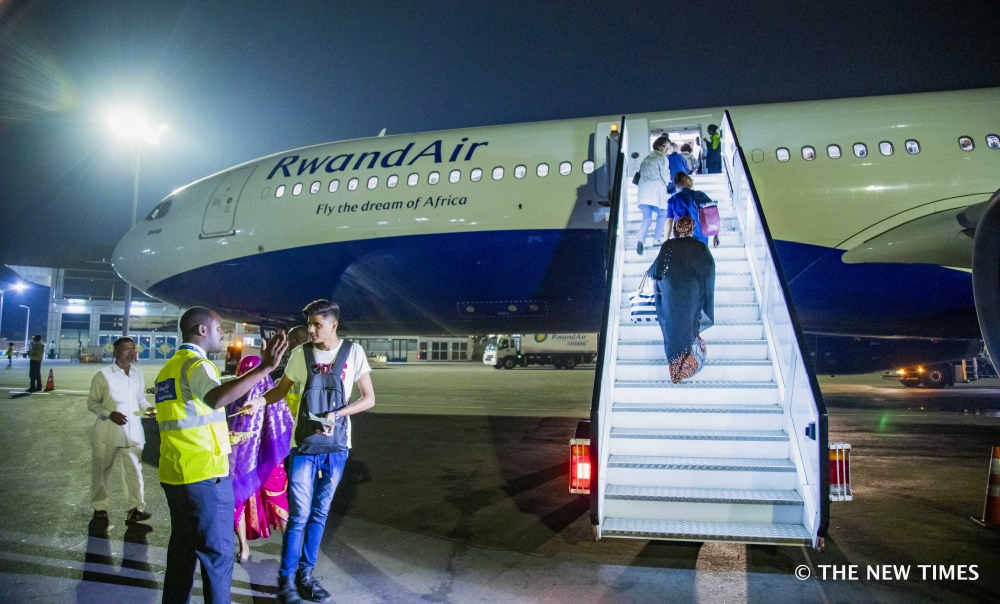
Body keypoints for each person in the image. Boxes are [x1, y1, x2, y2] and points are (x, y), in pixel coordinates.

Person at [240, 300, 375, 604]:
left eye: (316, 324)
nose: (310, 330)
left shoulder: (353, 352)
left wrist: (338, 414)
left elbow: (369, 398)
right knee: (299, 514)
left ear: (333, 325)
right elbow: (281, 389)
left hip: (337, 447)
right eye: (309, 324)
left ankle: (306, 575)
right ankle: (286, 580)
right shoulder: (301, 354)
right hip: (302, 445)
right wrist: (259, 402)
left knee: (320, 513)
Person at [154, 306, 287, 604]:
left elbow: (187, 419)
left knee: (183, 552)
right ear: (202, 330)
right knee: (218, 556)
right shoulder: (196, 365)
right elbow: (215, 398)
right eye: (219, 329)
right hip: (204, 475)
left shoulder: (168, 370)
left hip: (176, 474)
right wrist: (263, 369)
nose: (223, 334)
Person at [228, 354, 294, 564]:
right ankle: (288, 549)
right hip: (266, 459)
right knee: (274, 498)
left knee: (240, 500)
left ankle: (245, 549)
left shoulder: (239, 394)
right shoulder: (269, 394)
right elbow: (286, 424)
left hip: (247, 460)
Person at [87, 337, 155, 523]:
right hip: (108, 431)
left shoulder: (137, 374)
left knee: (134, 471)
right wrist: (109, 414)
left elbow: (140, 399)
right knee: (101, 472)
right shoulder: (103, 375)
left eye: (133, 349)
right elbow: (92, 403)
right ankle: (100, 507)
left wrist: (148, 409)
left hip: (133, 432)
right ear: (115, 352)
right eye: (126, 349)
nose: (131, 352)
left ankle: (135, 509)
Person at [650, 216, 716, 383]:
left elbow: (657, 271)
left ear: (675, 229)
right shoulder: (700, 247)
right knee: (690, 328)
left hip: (672, 296)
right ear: (692, 229)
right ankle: (688, 366)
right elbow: (709, 269)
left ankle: (676, 372)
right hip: (693, 295)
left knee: (672, 331)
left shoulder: (668, 246)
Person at [635, 135, 673, 255]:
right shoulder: (662, 158)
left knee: (646, 218)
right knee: (662, 214)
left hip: (643, 191)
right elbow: (665, 175)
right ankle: (657, 239)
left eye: (668, 148)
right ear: (658, 146)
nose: (667, 150)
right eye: (665, 147)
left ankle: (641, 238)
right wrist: (669, 185)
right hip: (656, 190)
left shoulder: (646, 158)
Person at [665, 172, 720, 248]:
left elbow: (669, 221)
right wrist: (716, 234)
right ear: (688, 181)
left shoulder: (672, 200)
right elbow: (712, 214)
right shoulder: (700, 195)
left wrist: (666, 241)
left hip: (681, 239)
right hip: (700, 238)